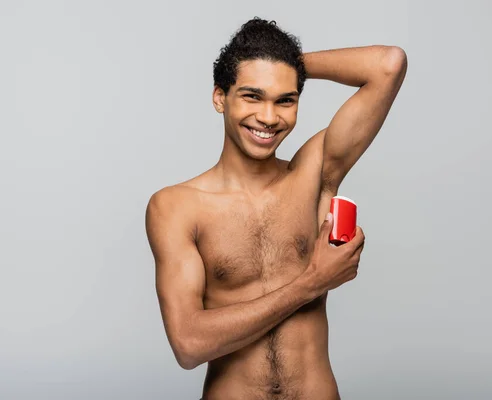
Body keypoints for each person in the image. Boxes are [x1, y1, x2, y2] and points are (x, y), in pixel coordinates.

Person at [145, 17, 407, 400]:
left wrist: (285, 63)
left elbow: (389, 64)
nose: (269, 118)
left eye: (285, 99)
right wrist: (310, 284)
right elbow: (189, 344)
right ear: (220, 97)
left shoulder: (313, 175)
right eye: (253, 95)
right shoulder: (176, 206)